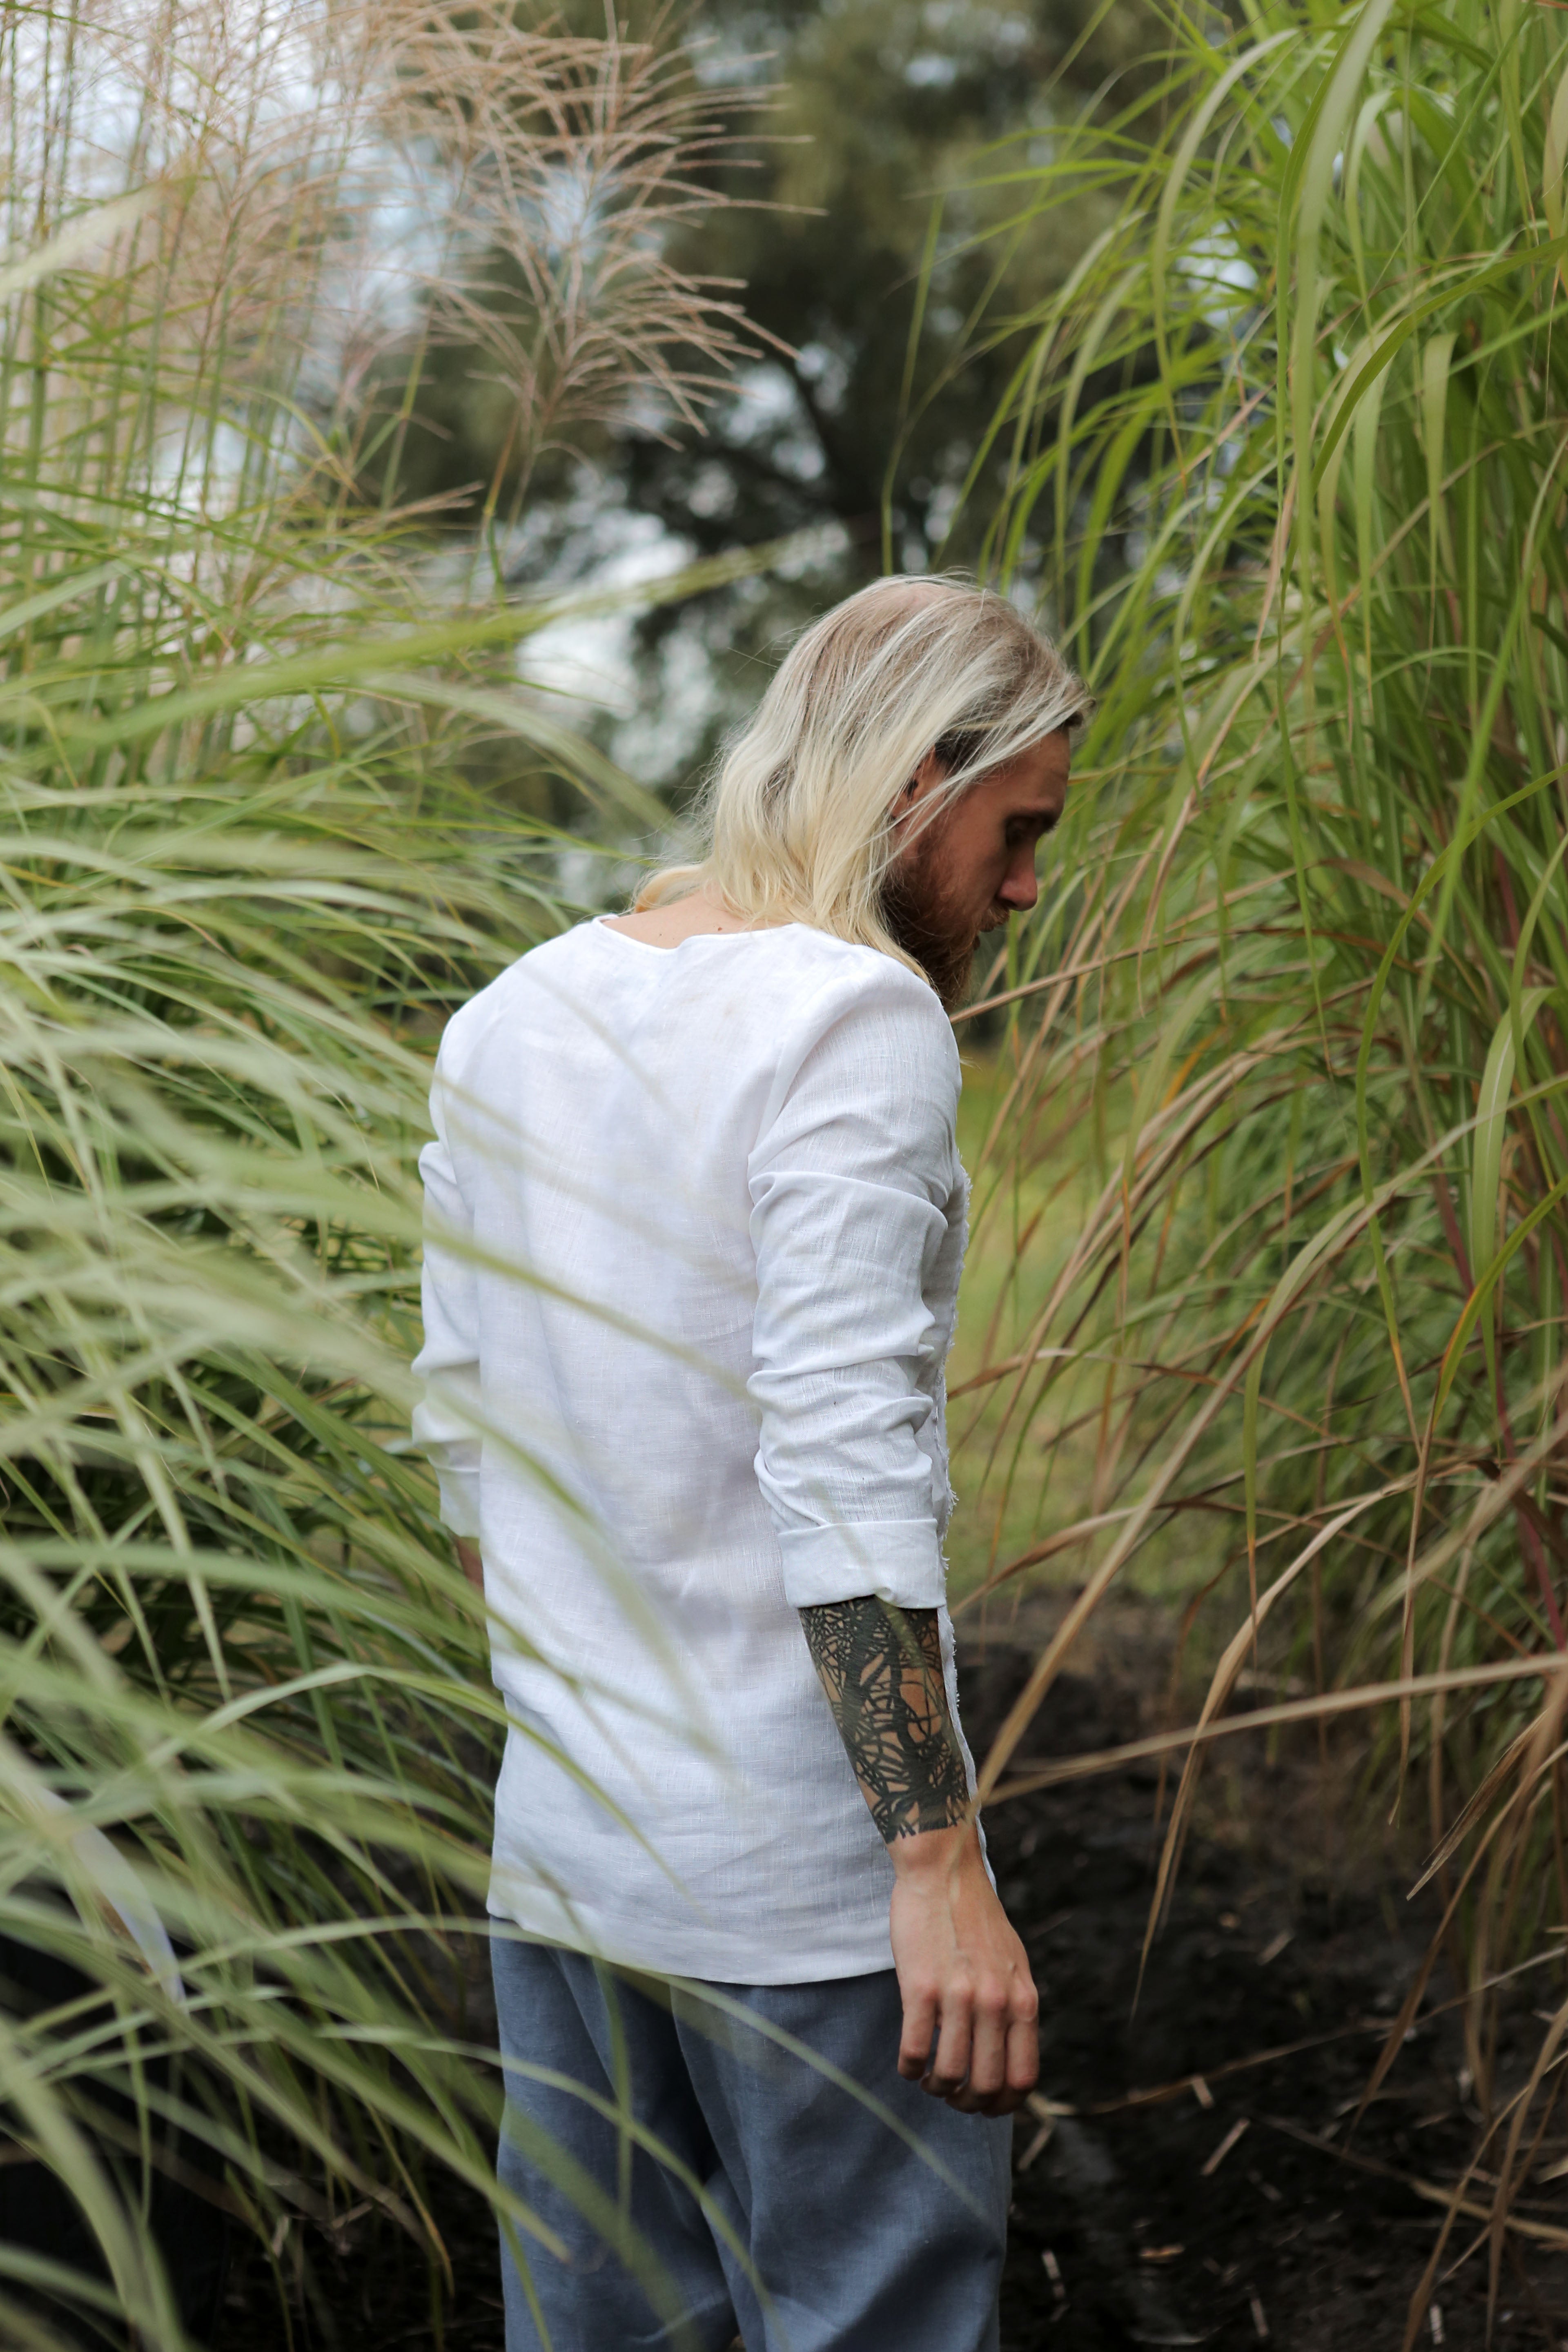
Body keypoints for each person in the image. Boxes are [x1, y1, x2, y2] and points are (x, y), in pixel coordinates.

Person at [412, 575, 1090, 2352]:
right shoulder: (853, 1022)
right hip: (810, 1901)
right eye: (1017, 830)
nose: (1024, 887)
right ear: (920, 780)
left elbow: (470, 1447)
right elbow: (843, 1459)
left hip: (566, 1869)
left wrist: (586, 1747)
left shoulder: (516, 1016)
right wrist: (939, 1864)